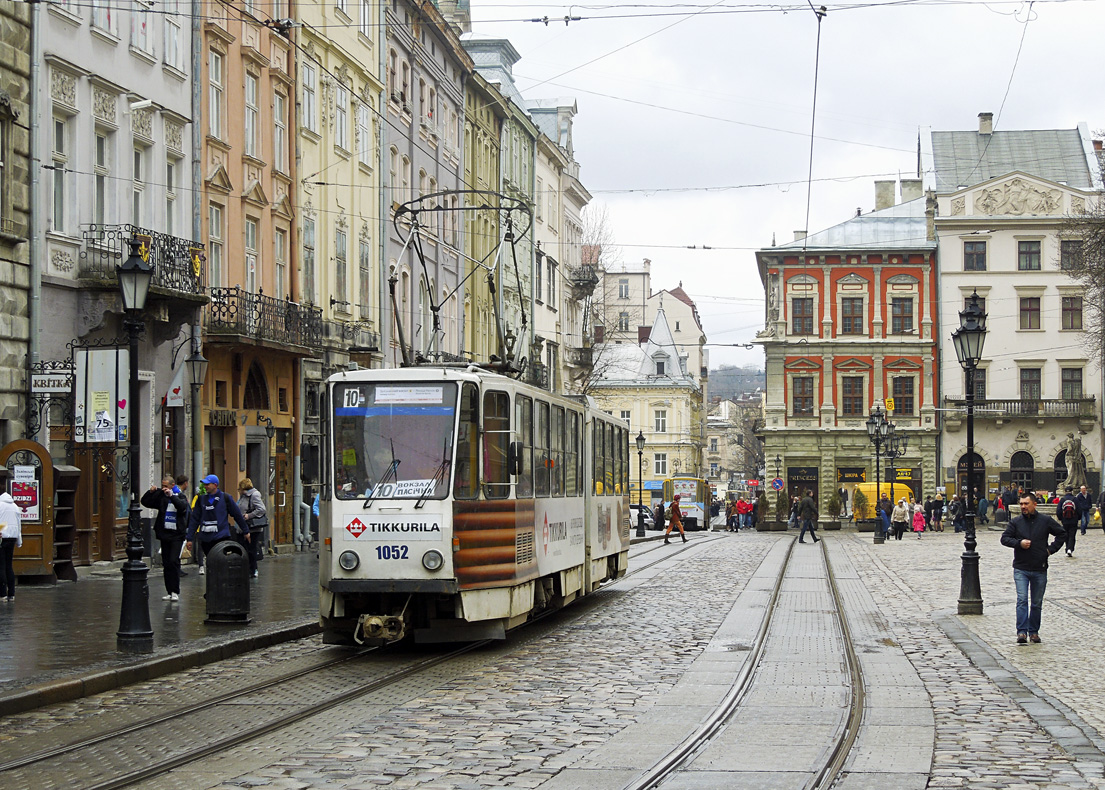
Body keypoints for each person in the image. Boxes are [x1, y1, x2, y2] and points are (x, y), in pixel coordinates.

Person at [1000, 491, 1065, 644]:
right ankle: (1022, 632)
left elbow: (1062, 534)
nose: (1023, 507)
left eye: (1026, 504)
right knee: (1022, 600)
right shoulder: (1016, 522)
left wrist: (1050, 550)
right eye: (1021, 504)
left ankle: (1034, 631)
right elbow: (1004, 538)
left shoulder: (1045, 520)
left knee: (1036, 603)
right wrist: (1019, 543)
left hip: (1039, 568)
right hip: (1021, 567)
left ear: (1034, 504)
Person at [141, 475, 191, 601]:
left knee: (174, 561)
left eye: (166, 486)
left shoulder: (180, 496)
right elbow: (145, 502)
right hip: (165, 534)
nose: (163, 488)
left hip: (177, 535)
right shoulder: (161, 497)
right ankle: (169, 591)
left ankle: (175, 591)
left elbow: (182, 507)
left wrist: (172, 496)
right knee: (167, 563)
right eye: (162, 485)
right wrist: (150, 492)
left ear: (172, 486)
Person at [186, 474, 250, 567]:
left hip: (221, 537)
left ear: (215, 485)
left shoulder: (225, 498)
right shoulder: (201, 499)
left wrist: (246, 531)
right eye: (205, 484)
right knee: (211, 563)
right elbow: (195, 519)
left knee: (221, 563)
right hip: (205, 538)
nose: (205, 486)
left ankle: (222, 580)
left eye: (208, 484)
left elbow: (237, 515)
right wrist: (190, 538)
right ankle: (213, 580)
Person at [237, 478, 267, 579]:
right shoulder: (243, 496)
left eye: (239, 488)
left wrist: (249, 515)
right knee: (244, 548)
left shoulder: (254, 495)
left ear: (243, 488)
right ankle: (247, 569)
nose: (238, 490)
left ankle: (253, 569)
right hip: (243, 527)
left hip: (252, 528)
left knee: (251, 549)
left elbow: (262, 509)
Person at [0, 490, 22, 602]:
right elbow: (18, 524)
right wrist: (19, 541)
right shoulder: (15, 506)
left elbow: (2, 523)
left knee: (1, 566)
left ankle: (2, 593)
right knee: (9, 565)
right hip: (12, 537)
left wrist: (2, 530)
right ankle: (11, 593)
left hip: (2, 537)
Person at [1056, 486, 1080, 557]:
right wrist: (1078, 518)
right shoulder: (1075, 499)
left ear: (1065, 491)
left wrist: (1061, 518)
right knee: (1072, 535)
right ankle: (1070, 549)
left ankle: (1067, 549)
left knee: (1066, 535)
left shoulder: (1062, 499)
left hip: (1065, 520)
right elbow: (1079, 510)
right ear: (1072, 491)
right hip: (1073, 520)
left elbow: (1058, 511)